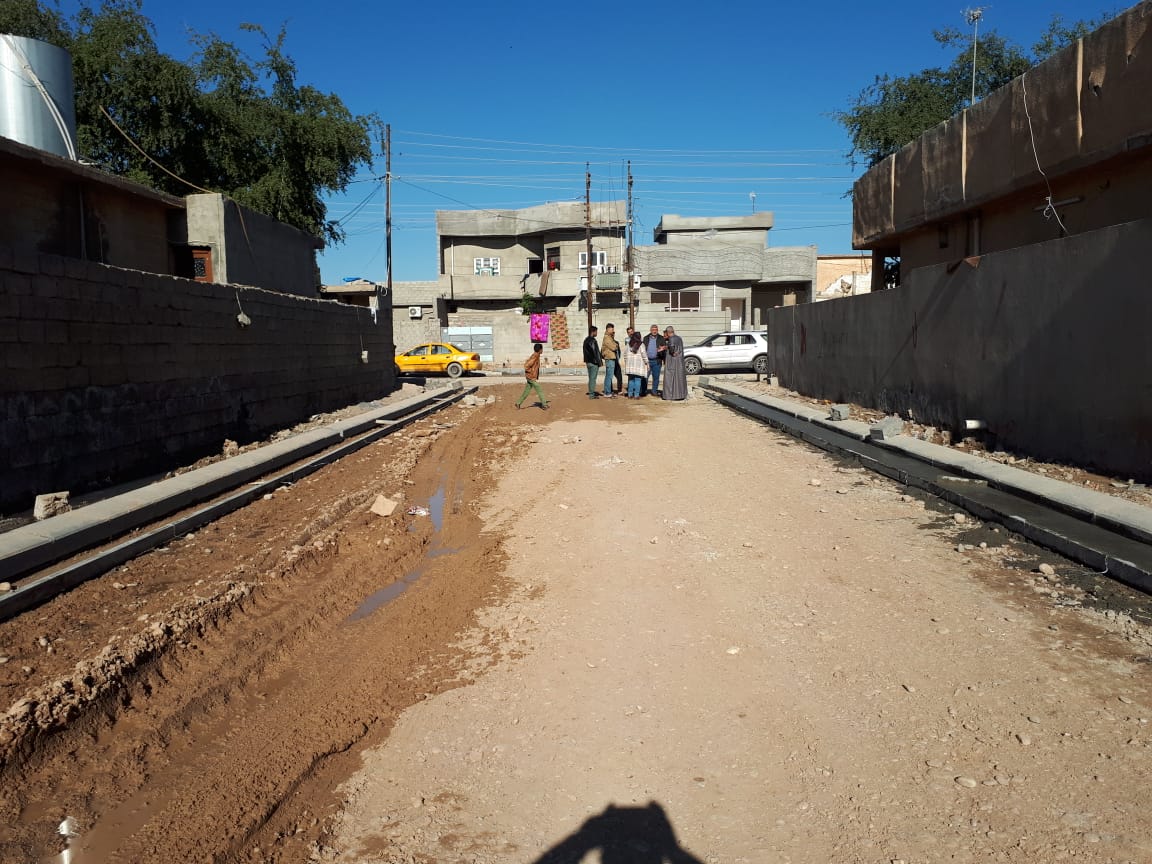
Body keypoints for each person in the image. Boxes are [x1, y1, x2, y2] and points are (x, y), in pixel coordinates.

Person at [515, 342, 549, 410]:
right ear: (539, 350)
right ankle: (544, 405)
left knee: (527, 391)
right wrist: (531, 374)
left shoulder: (536, 355)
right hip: (531, 377)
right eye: (542, 349)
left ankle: (518, 403)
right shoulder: (535, 356)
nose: (542, 350)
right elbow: (526, 366)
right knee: (539, 389)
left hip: (529, 377)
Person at [662, 326, 687, 401]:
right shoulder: (679, 338)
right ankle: (680, 394)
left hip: (672, 361)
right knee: (679, 378)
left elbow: (672, 349)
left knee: (670, 377)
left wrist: (671, 352)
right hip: (679, 361)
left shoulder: (671, 338)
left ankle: (670, 395)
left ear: (668, 332)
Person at [623, 331, 649, 399]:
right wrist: (647, 362)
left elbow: (625, 354)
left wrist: (626, 361)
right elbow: (644, 355)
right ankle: (636, 395)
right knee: (638, 380)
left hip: (630, 366)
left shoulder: (628, 344)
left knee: (631, 380)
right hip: (638, 366)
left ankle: (630, 394)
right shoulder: (641, 345)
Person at [642, 324, 666, 397]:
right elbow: (642, 349)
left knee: (656, 377)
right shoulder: (646, 338)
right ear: (650, 330)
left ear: (657, 330)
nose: (654, 331)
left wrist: (663, 357)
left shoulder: (661, 338)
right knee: (645, 377)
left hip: (657, 361)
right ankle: (643, 391)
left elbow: (664, 349)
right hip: (647, 361)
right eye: (653, 330)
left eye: (656, 330)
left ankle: (654, 391)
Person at [582, 326, 602, 399]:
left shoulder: (586, 340)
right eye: (596, 332)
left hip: (588, 362)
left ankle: (591, 393)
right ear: (593, 332)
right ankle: (591, 394)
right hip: (594, 363)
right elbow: (595, 352)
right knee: (593, 379)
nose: (597, 333)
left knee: (591, 378)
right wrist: (599, 362)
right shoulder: (593, 341)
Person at [601, 323, 620, 398]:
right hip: (609, 358)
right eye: (612, 329)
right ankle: (607, 392)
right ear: (608, 329)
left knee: (608, 376)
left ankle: (608, 391)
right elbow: (614, 347)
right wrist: (616, 345)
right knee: (609, 376)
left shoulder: (609, 337)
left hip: (610, 358)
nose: (613, 331)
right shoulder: (607, 338)